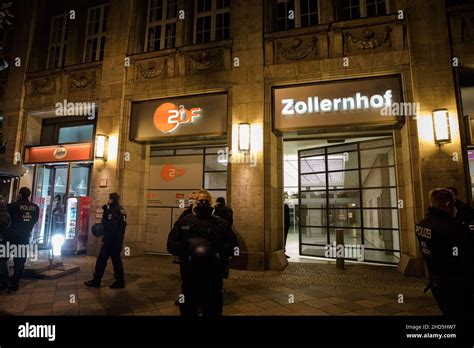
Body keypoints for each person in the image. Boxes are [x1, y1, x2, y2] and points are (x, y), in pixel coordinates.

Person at [167, 189, 238, 317]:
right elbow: (170, 245)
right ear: (195, 202)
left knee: (212, 310)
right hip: (189, 276)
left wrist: (218, 249)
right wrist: (186, 247)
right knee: (188, 309)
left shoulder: (221, 223)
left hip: (213, 278)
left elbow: (235, 248)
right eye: (200, 200)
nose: (203, 203)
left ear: (211, 203)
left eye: (207, 201)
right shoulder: (184, 221)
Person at [415, 188, 474, 316]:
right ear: (448, 204)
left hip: (436, 281)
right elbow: (465, 257)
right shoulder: (453, 228)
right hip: (456, 285)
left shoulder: (421, 224)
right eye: (454, 203)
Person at [85, 193, 127, 289]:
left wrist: (106, 213)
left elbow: (110, 226)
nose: (108, 200)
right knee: (116, 261)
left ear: (112, 200)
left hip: (110, 241)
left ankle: (96, 281)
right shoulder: (122, 210)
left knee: (102, 260)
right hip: (118, 240)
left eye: (109, 198)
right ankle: (120, 281)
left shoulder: (112, 210)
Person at [0, 187, 39, 292]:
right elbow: (34, 220)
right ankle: (15, 283)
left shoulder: (12, 206)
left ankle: (3, 281)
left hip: (9, 237)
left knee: (2, 259)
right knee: (19, 261)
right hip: (25, 237)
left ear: (20, 195)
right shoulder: (35, 207)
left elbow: (6, 220)